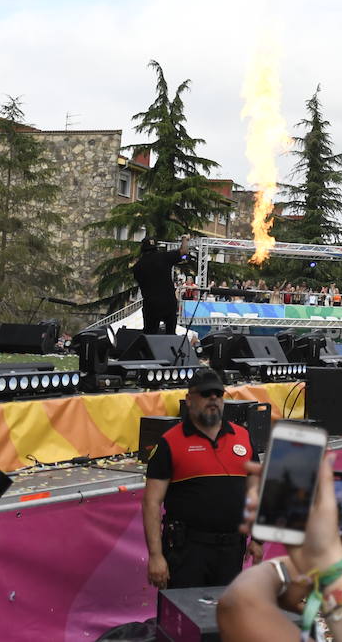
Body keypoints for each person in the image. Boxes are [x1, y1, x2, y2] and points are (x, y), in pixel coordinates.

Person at [142, 367, 259, 589]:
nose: (213, 398)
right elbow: (151, 502)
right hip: (187, 551)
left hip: (232, 550)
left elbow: (255, 491)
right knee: (184, 619)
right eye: (205, 394)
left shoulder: (242, 437)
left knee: (225, 618)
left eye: (218, 393)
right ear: (189, 400)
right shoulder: (169, 442)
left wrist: (259, 538)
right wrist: (156, 556)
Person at [132, 236, 189, 335]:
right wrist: (185, 238)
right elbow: (184, 251)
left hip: (151, 304)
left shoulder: (138, 266)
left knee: (150, 335)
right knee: (170, 334)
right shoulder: (164, 257)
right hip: (168, 302)